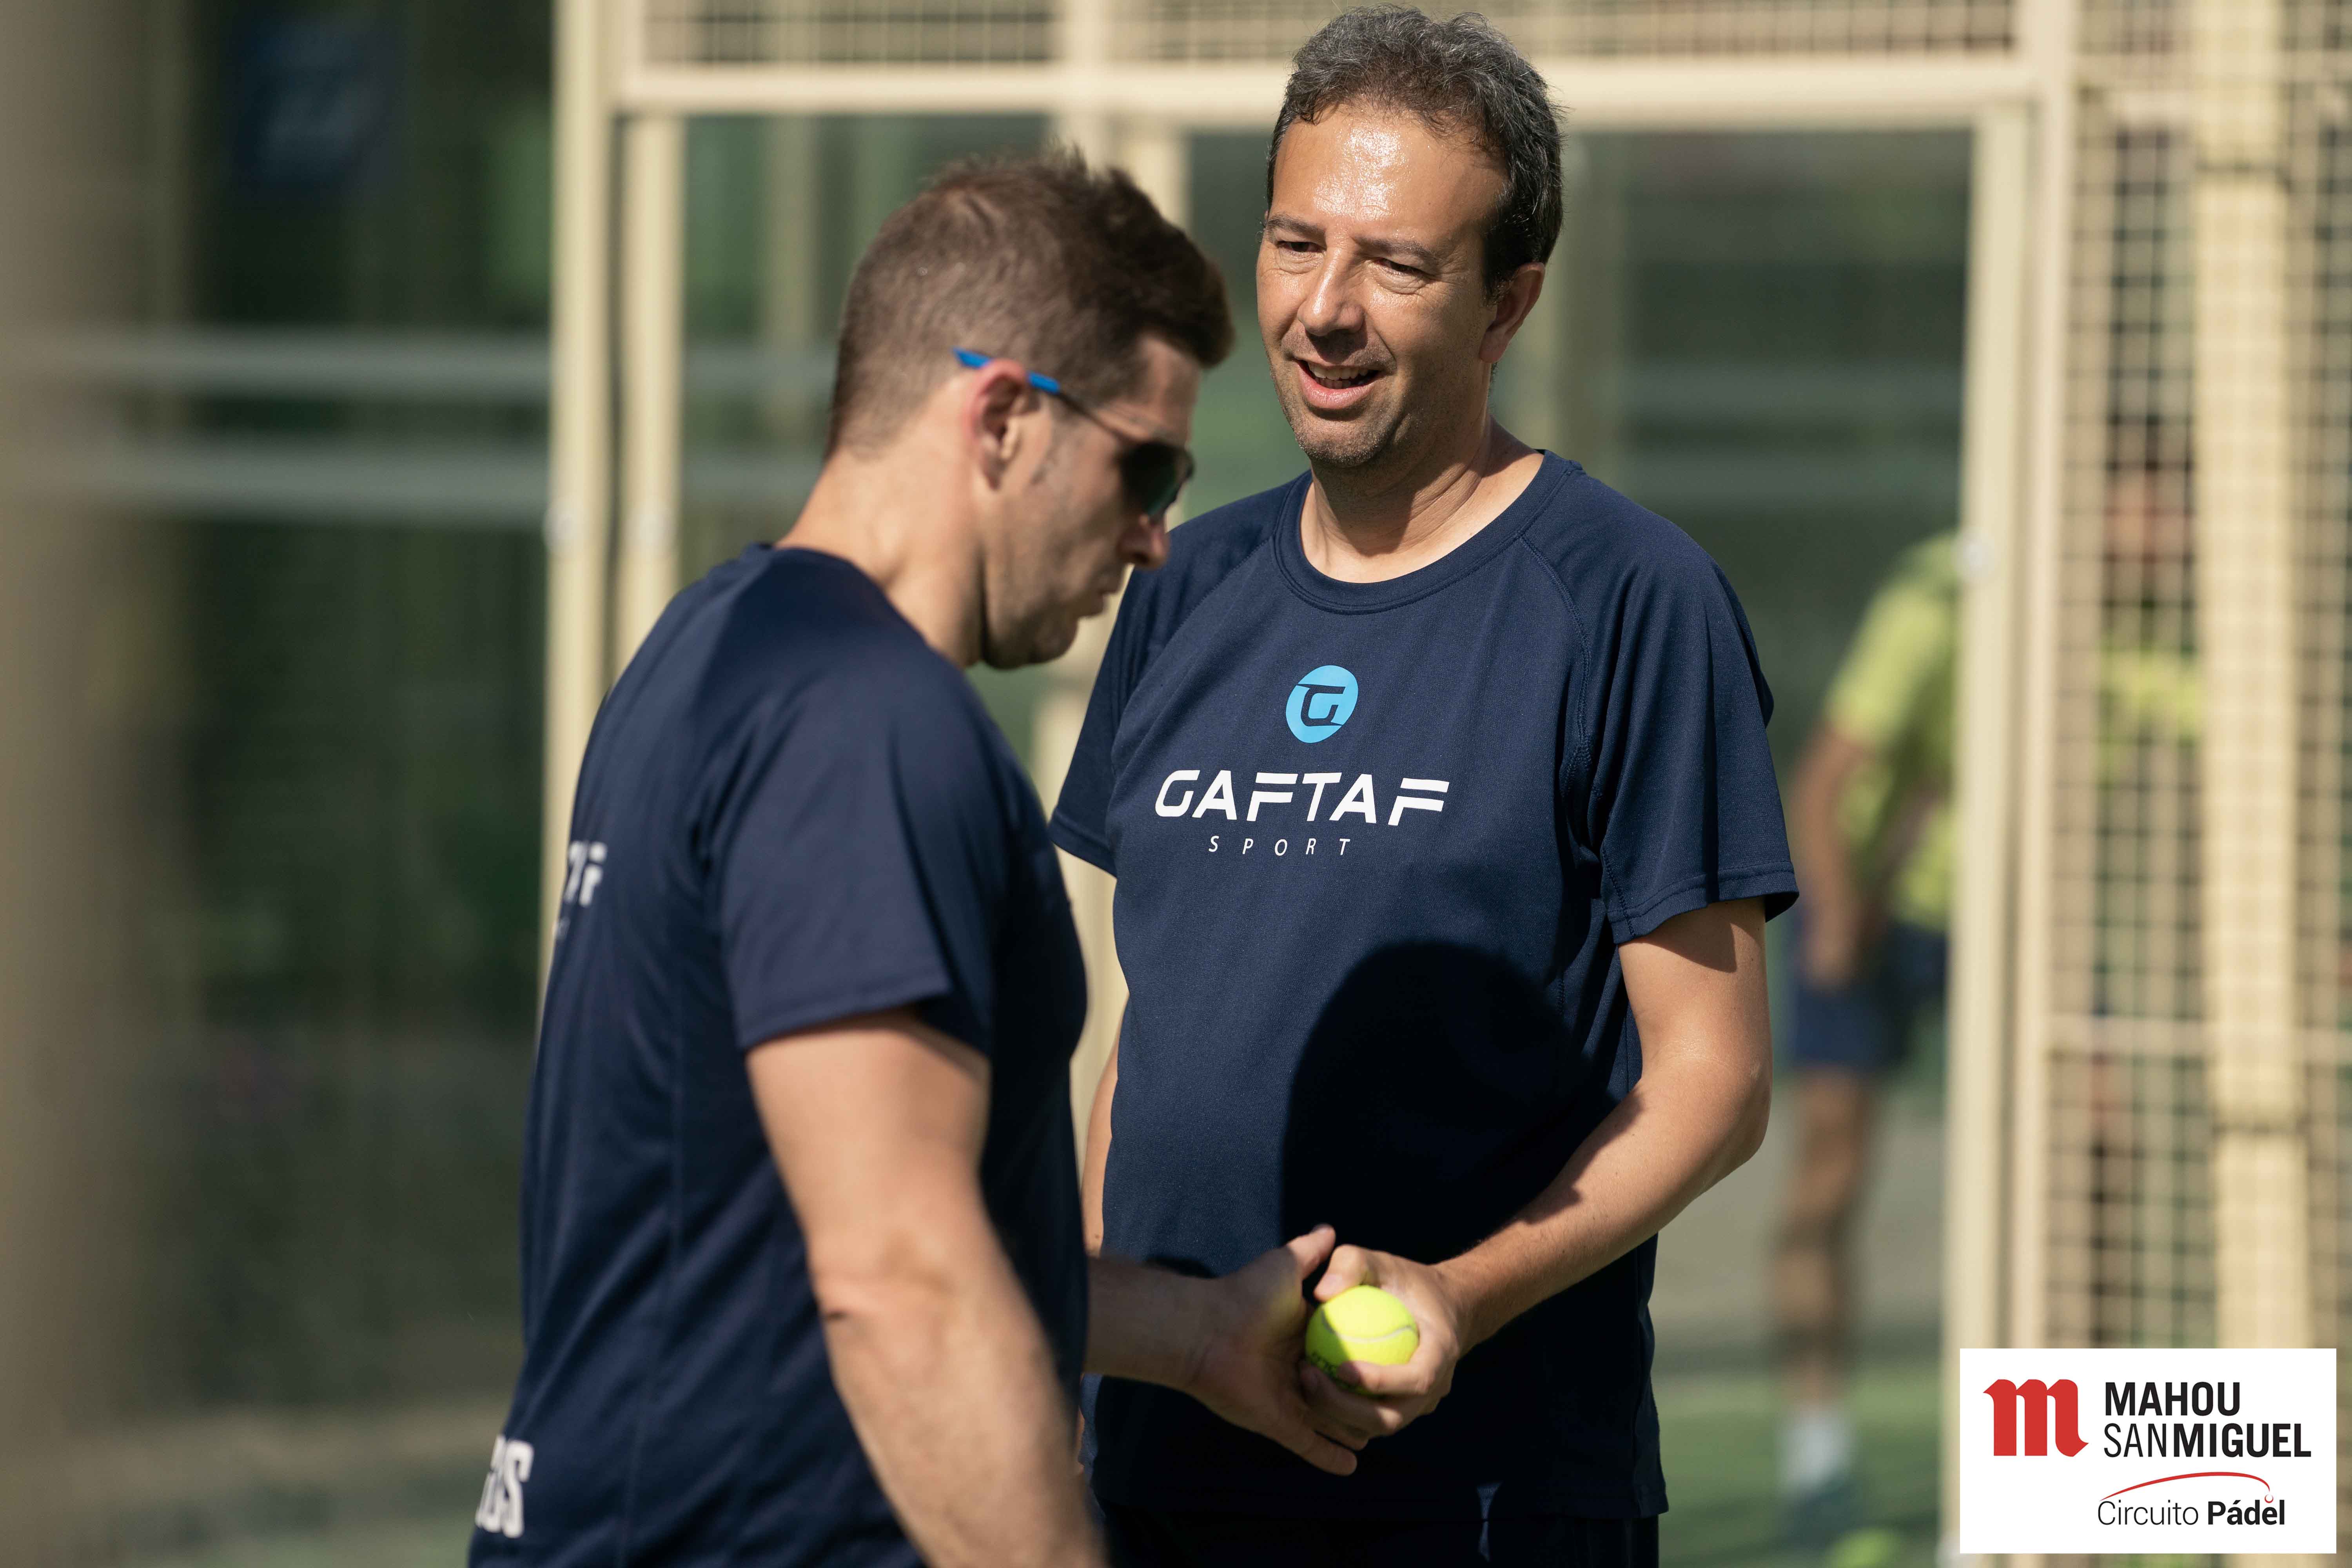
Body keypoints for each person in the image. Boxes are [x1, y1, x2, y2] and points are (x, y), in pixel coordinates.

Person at [469, 152, 1368, 1568]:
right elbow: (900, 1284)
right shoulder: (869, 723)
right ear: (1003, 417)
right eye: (1148, 468)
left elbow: (778, 1232)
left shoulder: (710, 654)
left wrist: (1197, 1335)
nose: (1154, 540)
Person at [1049, 12, 1795, 1565]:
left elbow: (1713, 1078)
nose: (1326, 309)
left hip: (1484, 1494)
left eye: (1396, 263)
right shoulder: (1185, 583)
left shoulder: (1631, 601)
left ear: (1509, 300)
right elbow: (1159, 1027)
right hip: (1156, 1466)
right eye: (1296, 243)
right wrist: (1101, 1342)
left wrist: (1459, 1292)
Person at [1773, 531, 1956, 1548]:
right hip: (1875, 912)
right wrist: (1840, 917)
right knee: (1829, 1178)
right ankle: (1817, 1461)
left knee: (2089, 1169)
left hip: (2025, 925)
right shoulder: (1944, 592)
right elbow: (1825, 779)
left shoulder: (2194, 615)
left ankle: (2052, 1488)